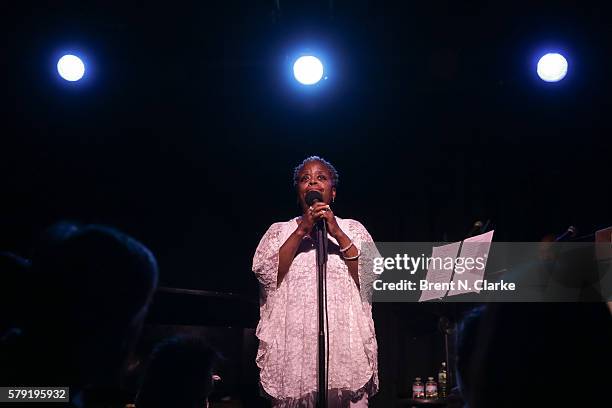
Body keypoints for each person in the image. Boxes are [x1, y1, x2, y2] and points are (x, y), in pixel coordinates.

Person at [252, 156, 378, 407]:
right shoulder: (279, 231)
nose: (312, 182)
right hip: (295, 353)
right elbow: (266, 274)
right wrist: (301, 231)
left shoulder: (353, 228)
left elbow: (372, 277)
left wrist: (337, 233)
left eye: (321, 177)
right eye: (304, 179)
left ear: (333, 192)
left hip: (345, 350)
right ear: (298, 191)